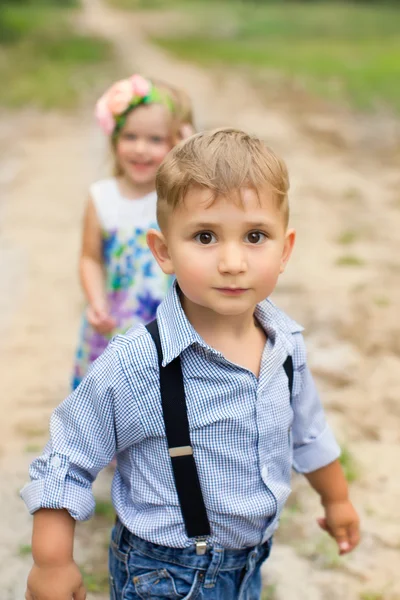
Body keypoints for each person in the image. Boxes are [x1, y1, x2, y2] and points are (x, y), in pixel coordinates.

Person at [22, 129, 360, 600]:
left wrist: (337, 499)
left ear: (285, 250)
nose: (232, 261)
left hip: (249, 563)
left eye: (255, 236)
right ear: (163, 251)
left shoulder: (285, 345)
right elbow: (67, 461)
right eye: (205, 236)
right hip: (162, 573)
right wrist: (51, 562)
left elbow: (308, 432)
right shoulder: (137, 363)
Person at [72, 73, 194, 389]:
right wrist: (96, 301)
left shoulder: (176, 198)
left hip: (169, 329)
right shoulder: (102, 196)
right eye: (130, 137)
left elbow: (205, 184)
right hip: (114, 327)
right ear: (114, 139)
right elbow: (91, 258)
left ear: (176, 142)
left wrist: (187, 153)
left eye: (156, 140)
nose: (141, 149)